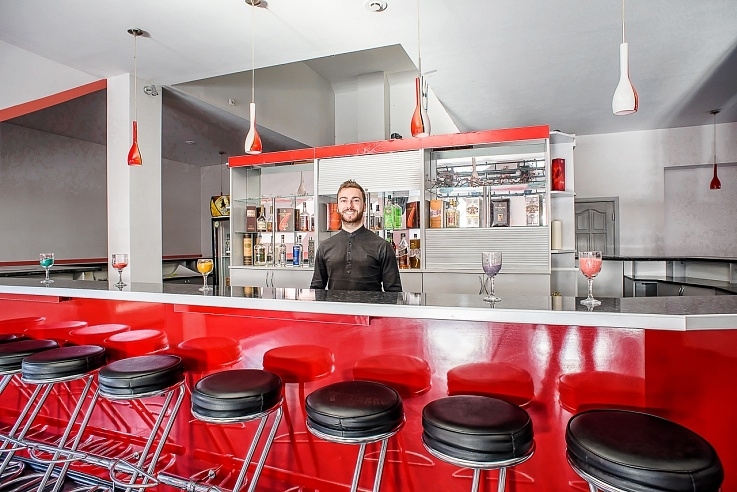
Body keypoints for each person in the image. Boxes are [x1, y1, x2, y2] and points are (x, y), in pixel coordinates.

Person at [310, 180, 402, 292]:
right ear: (338, 207)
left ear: (364, 206)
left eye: (355, 200)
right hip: (333, 304)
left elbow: (394, 293)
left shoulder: (383, 246)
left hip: (371, 304)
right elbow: (316, 289)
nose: (349, 206)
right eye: (344, 200)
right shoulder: (324, 247)